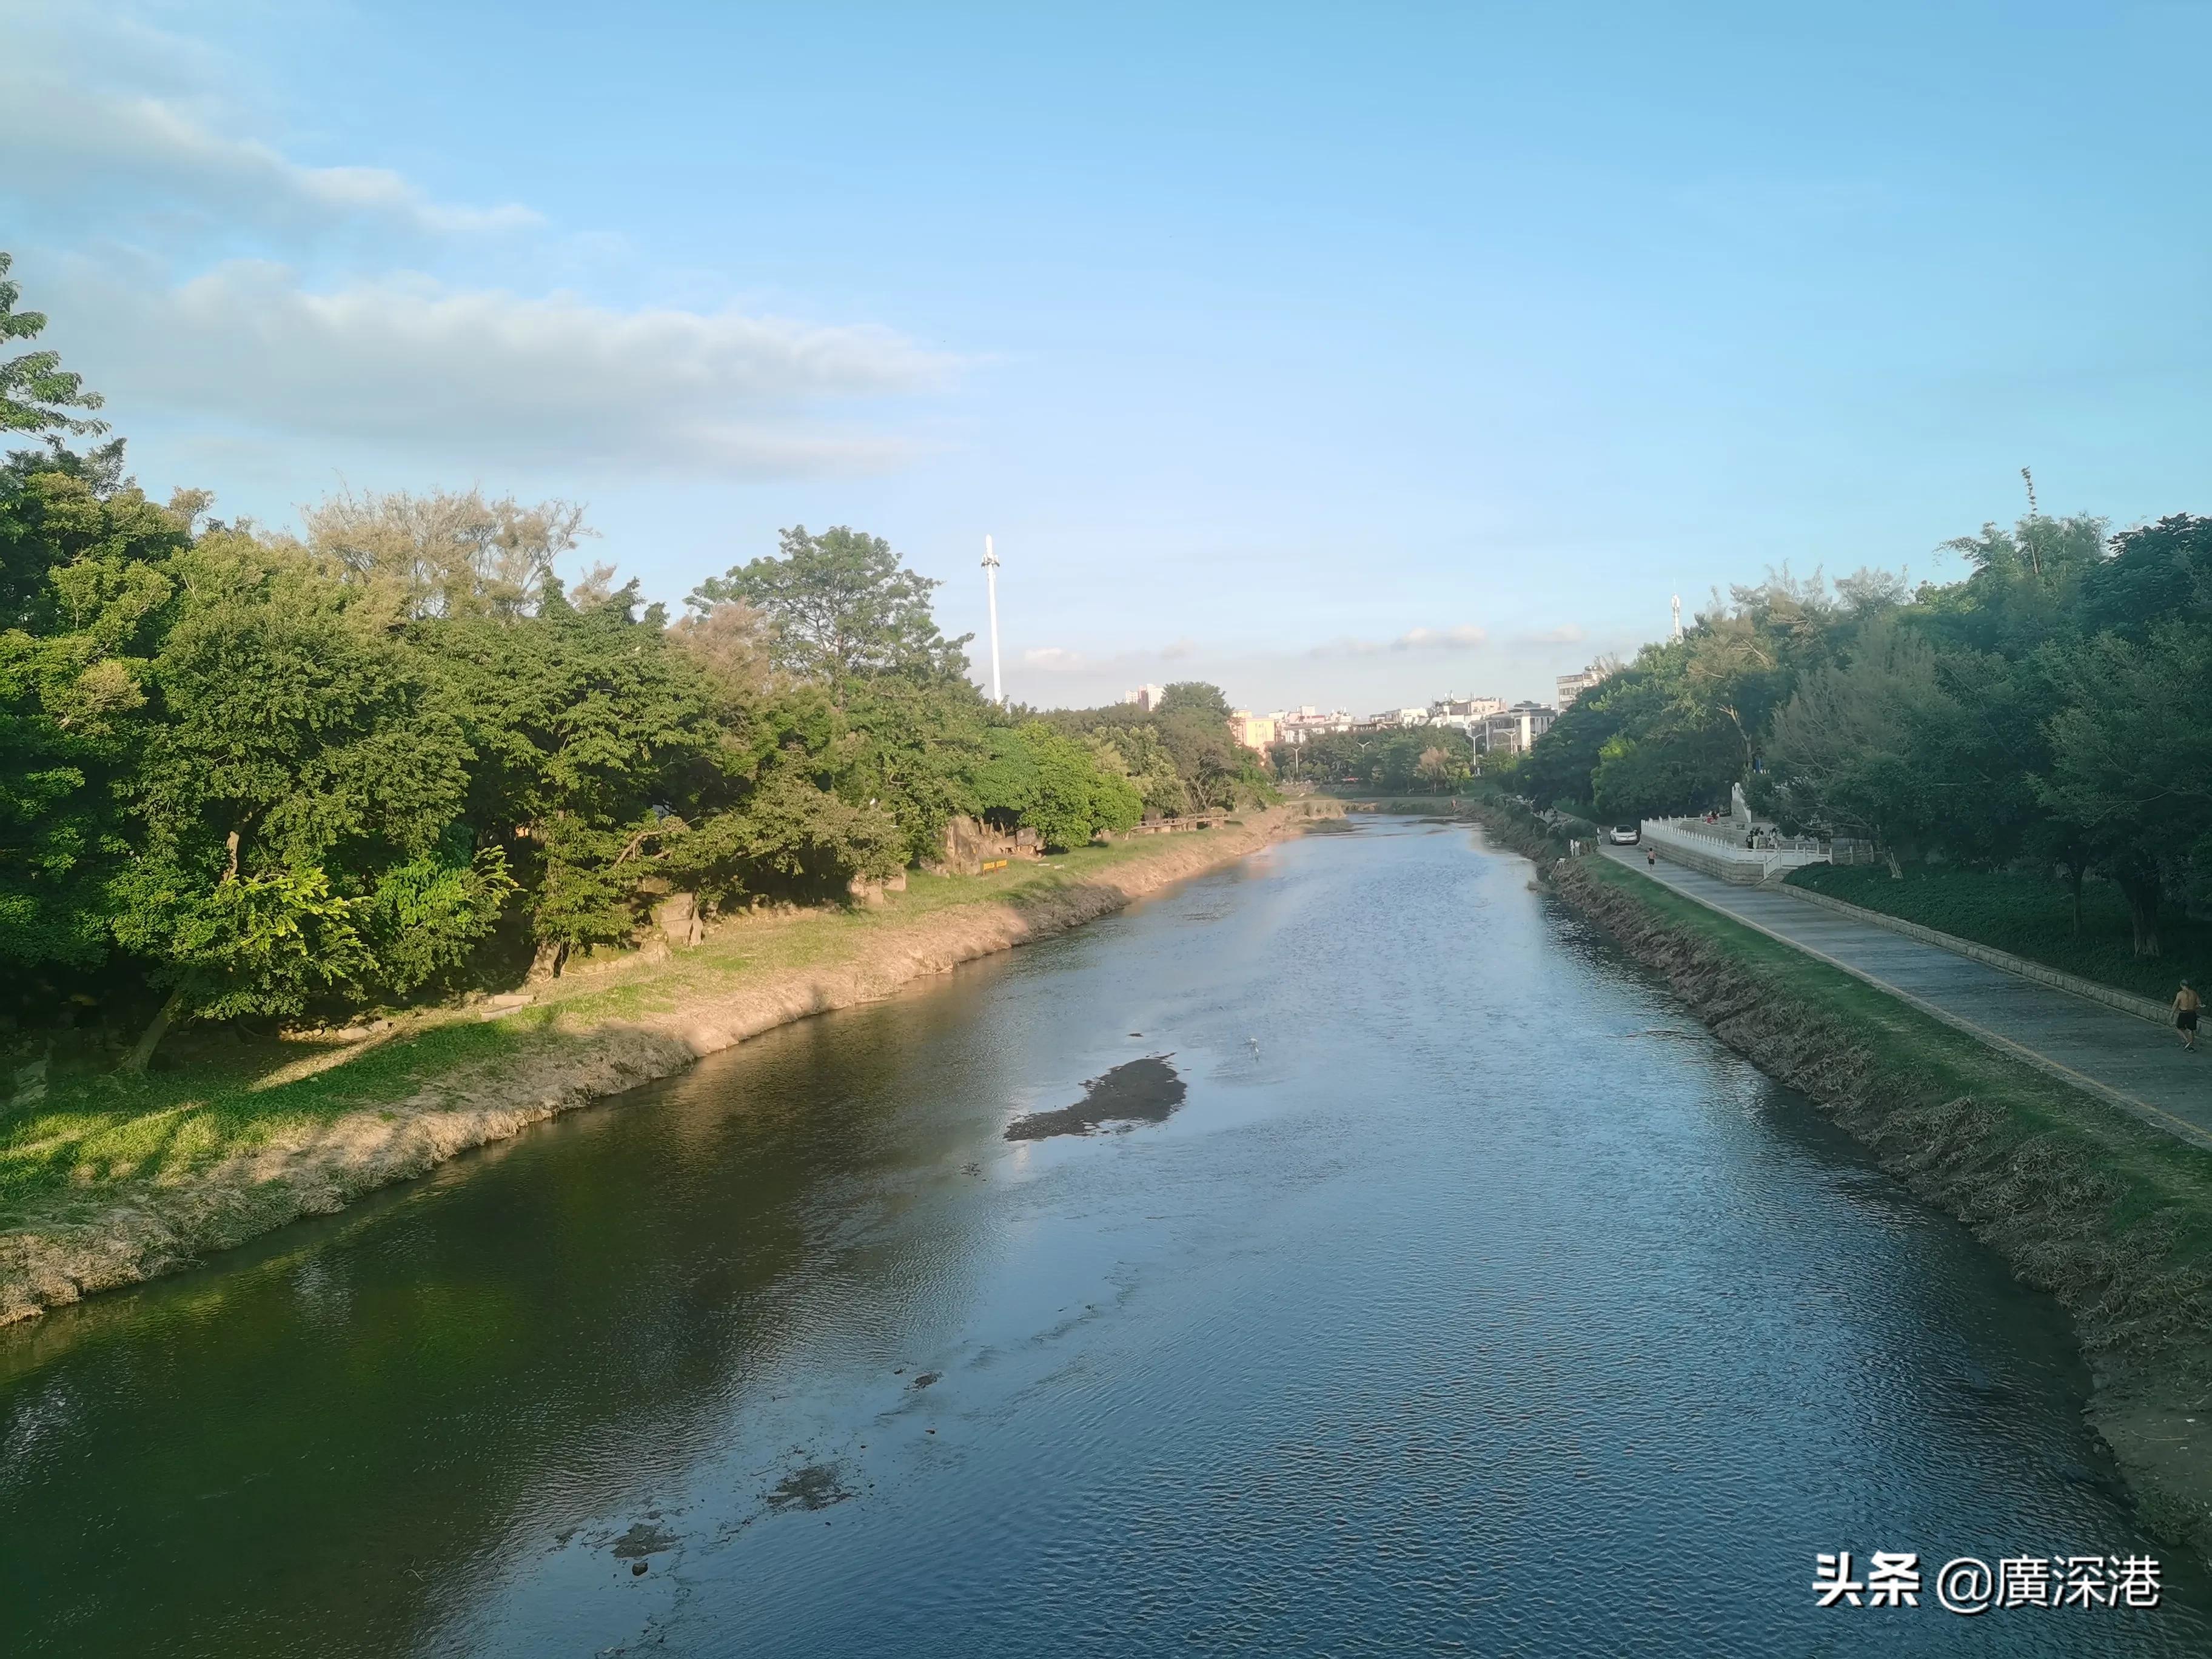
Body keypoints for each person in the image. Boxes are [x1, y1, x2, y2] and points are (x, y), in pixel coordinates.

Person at [2176, 980, 2202, 1053]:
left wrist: (2172, 1013)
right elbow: (2199, 1004)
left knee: (2179, 1028)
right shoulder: (2194, 993)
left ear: (2181, 985)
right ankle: (2190, 1044)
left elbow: (2176, 1004)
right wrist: (2193, 1007)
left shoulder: (2180, 994)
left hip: (2183, 1013)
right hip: (2192, 1013)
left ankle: (2186, 1040)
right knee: (2191, 1030)